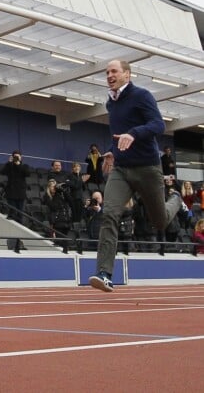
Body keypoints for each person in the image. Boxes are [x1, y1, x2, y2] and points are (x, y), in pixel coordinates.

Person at [89, 60, 184, 292]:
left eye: (114, 71)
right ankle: (104, 273)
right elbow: (119, 134)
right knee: (110, 214)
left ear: (127, 75)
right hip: (121, 169)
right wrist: (112, 151)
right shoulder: (110, 104)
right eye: (107, 72)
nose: (109, 75)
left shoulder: (142, 96)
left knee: (159, 221)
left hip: (147, 168)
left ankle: (176, 200)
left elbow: (158, 125)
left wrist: (133, 134)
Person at [1, 150, 30, 224]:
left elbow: (27, 174)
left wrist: (18, 164)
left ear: (21, 157)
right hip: (11, 191)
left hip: (20, 192)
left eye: (18, 156)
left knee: (20, 211)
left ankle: (19, 222)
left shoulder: (24, 166)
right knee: (12, 210)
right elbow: (2, 172)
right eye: (15, 156)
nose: (16, 158)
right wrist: (9, 162)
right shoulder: (9, 165)